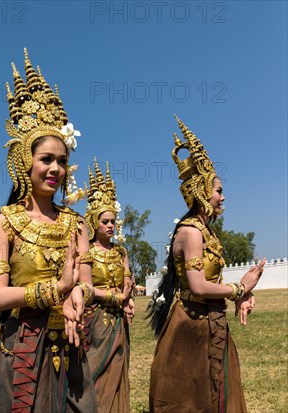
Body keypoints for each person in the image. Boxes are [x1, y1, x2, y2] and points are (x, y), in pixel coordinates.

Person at [0, 49, 96, 412]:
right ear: (24, 162)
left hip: (71, 343)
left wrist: (78, 294)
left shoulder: (76, 223)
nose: (55, 169)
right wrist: (55, 290)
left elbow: (86, 281)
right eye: (46, 159)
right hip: (23, 348)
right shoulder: (5, 222)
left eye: (62, 161)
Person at [148, 116, 266, 412]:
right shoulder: (190, 232)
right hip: (190, 326)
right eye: (218, 190)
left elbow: (210, 283)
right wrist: (240, 288)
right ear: (202, 191)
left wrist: (244, 296)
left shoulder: (206, 231)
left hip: (211, 321)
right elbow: (199, 286)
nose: (223, 197)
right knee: (190, 398)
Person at [82, 159, 134, 412]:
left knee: (118, 371)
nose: (111, 226)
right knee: (94, 372)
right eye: (105, 222)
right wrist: (116, 298)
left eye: (113, 221)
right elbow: (86, 288)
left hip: (119, 322)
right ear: (93, 222)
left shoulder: (120, 251)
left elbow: (127, 281)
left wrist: (128, 298)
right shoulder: (87, 252)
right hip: (95, 322)